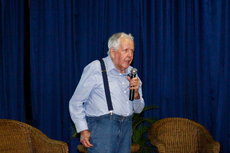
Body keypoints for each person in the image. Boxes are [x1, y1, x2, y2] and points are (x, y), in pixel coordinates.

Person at [69, 32, 145, 153]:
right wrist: (83, 130)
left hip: (126, 128)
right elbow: (76, 102)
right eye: (126, 50)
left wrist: (136, 95)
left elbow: (138, 109)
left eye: (132, 51)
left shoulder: (133, 73)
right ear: (113, 52)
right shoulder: (96, 68)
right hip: (102, 128)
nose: (130, 55)